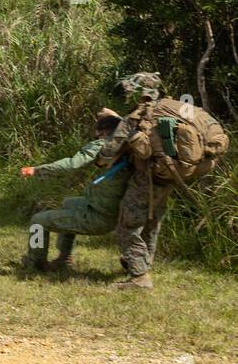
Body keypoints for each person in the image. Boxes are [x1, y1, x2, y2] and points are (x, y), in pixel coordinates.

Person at [19, 113, 128, 272]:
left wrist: (37, 170)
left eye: (98, 135)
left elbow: (71, 164)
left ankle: (35, 262)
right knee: (68, 203)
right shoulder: (128, 147)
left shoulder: (104, 145)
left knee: (38, 221)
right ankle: (64, 258)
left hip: (100, 217)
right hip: (113, 210)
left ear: (104, 133)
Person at [97, 73, 174, 290]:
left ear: (138, 93)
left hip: (145, 178)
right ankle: (140, 263)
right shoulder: (168, 109)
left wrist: (99, 158)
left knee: (127, 225)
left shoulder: (136, 116)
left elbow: (109, 150)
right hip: (167, 178)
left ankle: (139, 278)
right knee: (151, 222)